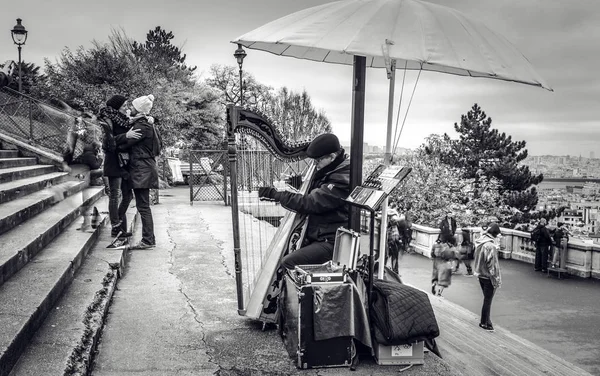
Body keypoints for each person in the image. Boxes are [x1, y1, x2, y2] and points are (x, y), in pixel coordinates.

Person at [258, 133, 350, 269]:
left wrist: (275, 194)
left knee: (288, 262)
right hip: (320, 233)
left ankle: (301, 290)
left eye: (318, 160)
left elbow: (310, 203)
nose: (314, 164)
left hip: (332, 241)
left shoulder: (342, 178)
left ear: (332, 157)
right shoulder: (333, 169)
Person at [116, 94, 159, 250]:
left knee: (143, 206)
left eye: (132, 107)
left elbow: (125, 144)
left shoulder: (142, 126)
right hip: (144, 168)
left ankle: (148, 240)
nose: (130, 109)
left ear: (139, 109)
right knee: (143, 205)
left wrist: (116, 140)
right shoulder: (144, 124)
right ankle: (148, 239)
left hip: (142, 169)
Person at [98, 94, 135, 239]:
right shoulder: (108, 120)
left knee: (127, 196)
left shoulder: (121, 120)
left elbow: (131, 124)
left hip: (123, 161)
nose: (127, 108)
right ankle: (116, 227)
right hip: (114, 161)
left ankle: (118, 225)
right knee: (115, 195)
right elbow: (108, 142)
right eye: (124, 105)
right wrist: (127, 136)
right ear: (117, 107)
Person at [473, 222, 502, 332]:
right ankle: (484, 322)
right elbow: (492, 264)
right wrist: (495, 277)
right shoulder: (490, 246)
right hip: (488, 276)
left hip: (480, 274)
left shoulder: (481, 241)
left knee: (486, 299)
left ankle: (487, 322)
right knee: (488, 300)